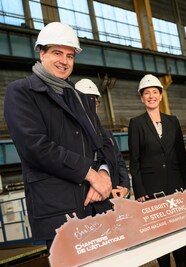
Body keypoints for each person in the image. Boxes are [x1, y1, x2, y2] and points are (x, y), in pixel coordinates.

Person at [3, 22, 116, 251]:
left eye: (70, 55)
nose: (64, 61)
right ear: (41, 53)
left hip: (97, 205)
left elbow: (102, 143)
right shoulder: (22, 92)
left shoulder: (80, 98)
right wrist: (90, 174)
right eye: (57, 53)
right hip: (60, 214)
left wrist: (103, 173)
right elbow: (35, 147)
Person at [128, 74, 186, 267]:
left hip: (175, 186)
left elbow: (181, 156)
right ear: (142, 98)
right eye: (147, 93)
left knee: (180, 233)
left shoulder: (172, 121)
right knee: (160, 236)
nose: (151, 96)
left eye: (155, 92)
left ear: (161, 96)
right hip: (152, 189)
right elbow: (135, 161)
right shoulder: (136, 123)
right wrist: (140, 192)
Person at [75, 78, 130, 199]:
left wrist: (125, 186)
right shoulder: (74, 135)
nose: (91, 106)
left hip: (114, 197)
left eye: (94, 102)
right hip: (89, 199)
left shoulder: (106, 134)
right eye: (86, 101)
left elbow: (119, 161)